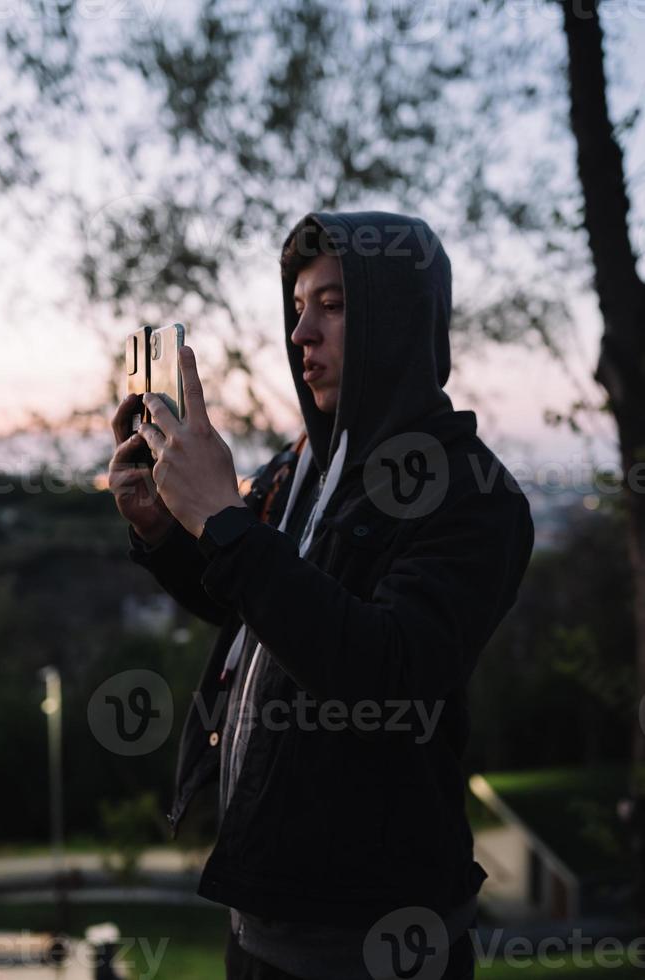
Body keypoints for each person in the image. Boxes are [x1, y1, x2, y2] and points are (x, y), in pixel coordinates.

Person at [108, 210, 535, 980]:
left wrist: (222, 517)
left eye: (333, 306)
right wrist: (166, 535)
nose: (302, 333)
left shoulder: (473, 494)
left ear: (400, 320)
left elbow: (387, 669)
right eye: (298, 307)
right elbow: (254, 612)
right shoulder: (302, 464)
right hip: (258, 925)